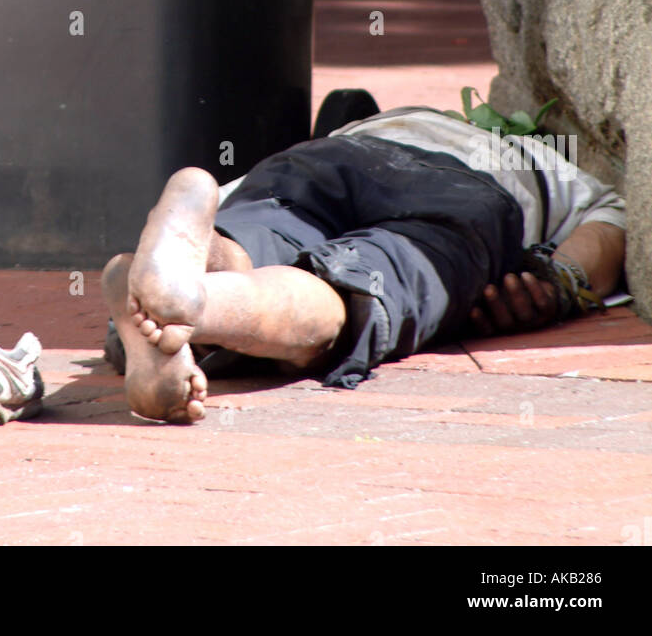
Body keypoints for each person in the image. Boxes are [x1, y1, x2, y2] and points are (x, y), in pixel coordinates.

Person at [102, 100, 627, 423]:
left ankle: (202, 271)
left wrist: (212, 235)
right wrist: (559, 281)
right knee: (348, 297)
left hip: (319, 161)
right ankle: (199, 307)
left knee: (250, 236)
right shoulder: (531, 157)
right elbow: (612, 221)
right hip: (460, 188)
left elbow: (236, 198)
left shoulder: (364, 126)